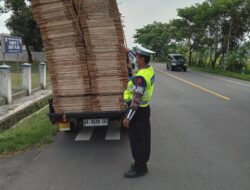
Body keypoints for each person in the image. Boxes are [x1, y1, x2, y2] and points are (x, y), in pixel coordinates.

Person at [123, 44, 155, 178]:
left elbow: (136, 101)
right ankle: (141, 163)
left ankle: (140, 168)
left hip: (138, 112)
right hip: (144, 109)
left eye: (137, 56)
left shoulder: (141, 78)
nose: (135, 58)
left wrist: (128, 118)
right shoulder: (149, 69)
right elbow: (135, 61)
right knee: (144, 138)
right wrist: (128, 51)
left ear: (142, 59)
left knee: (137, 140)